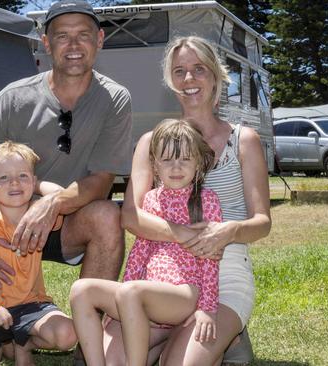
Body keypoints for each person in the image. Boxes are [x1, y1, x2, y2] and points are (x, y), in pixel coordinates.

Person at [0, 0, 132, 290]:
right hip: (7, 226)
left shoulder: (115, 99)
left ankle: (88, 328)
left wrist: (52, 203)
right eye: (62, 36)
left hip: (68, 222)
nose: (73, 45)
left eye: (84, 35)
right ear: (46, 44)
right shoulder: (12, 99)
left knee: (107, 215)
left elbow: (101, 183)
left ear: (99, 40)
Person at [120, 36, 271, 365]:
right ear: (170, 80)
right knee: (113, 360)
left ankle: (219, 333)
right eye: (179, 71)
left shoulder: (243, 141)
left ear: (216, 76)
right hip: (161, 276)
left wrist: (226, 232)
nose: (189, 79)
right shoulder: (151, 142)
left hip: (223, 269)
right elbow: (131, 217)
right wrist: (184, 234)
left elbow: (262, 223)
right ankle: (200, 340)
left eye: (199, 69)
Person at [70, 119, 221, 366]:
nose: (176, 167)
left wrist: (207, 307)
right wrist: (123, 301)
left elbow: (211, 259)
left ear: (199, 162)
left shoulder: (207, 201)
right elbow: (141, 250)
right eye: (167, 159)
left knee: (131, 291)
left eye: (184, 158)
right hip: (144, 295)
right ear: (154, 165)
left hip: (183, 294)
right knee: (82, 290)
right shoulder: (150, 200)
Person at [0, 141, 77, 366]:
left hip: (31, 304)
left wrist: (37, 189)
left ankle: (23, 344)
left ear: (33, 180)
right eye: (4, 178)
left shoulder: (40, 217)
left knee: (68, 334)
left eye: (22, 176)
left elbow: (61, 194)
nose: (15, 183)